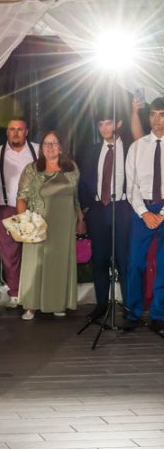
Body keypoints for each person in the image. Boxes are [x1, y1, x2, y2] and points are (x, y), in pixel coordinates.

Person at [16, 131, 84, 320]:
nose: (50, 147)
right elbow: (21, 197)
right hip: (36, 222)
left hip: (64, 224)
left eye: (54, 143)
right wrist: (24, 223)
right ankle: (31, 306)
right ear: (41, 147)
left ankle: (57, 303)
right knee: (34, 264)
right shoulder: (31, 169)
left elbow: (76, 197)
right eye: (46, 143)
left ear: (61, 146)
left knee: (59, 263)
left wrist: (80, 220)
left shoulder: (72, 169)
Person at [78, 107, 133, 321]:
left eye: (108, 123)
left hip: (121, 208)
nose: (104, 128)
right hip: (98, 209)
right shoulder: (91, 150)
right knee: (99, 260)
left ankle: (129, 307)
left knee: (123, 259)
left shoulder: (129, 148)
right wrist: (85, 210)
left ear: (118, 123)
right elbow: (83, 182)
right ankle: (101, 305)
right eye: (100, 124)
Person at [123, 97, 164, 335]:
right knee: (135, 263)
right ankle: (133, 312)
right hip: (142, 211)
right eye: (153, 114)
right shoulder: (137, 147)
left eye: (161, 114)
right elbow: (131, 187)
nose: (156, 120)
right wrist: (145, 213)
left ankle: (159, 315)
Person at [0, 118, 39, 307]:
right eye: (11, 129)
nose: (15, 133)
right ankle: (15, 293)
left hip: (33, 209)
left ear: (26, 131)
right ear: (6, 132)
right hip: (6, 208)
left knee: (34, 253)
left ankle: (34, 292)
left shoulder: (38, 149)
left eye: (19, 129)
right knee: (10, 255)